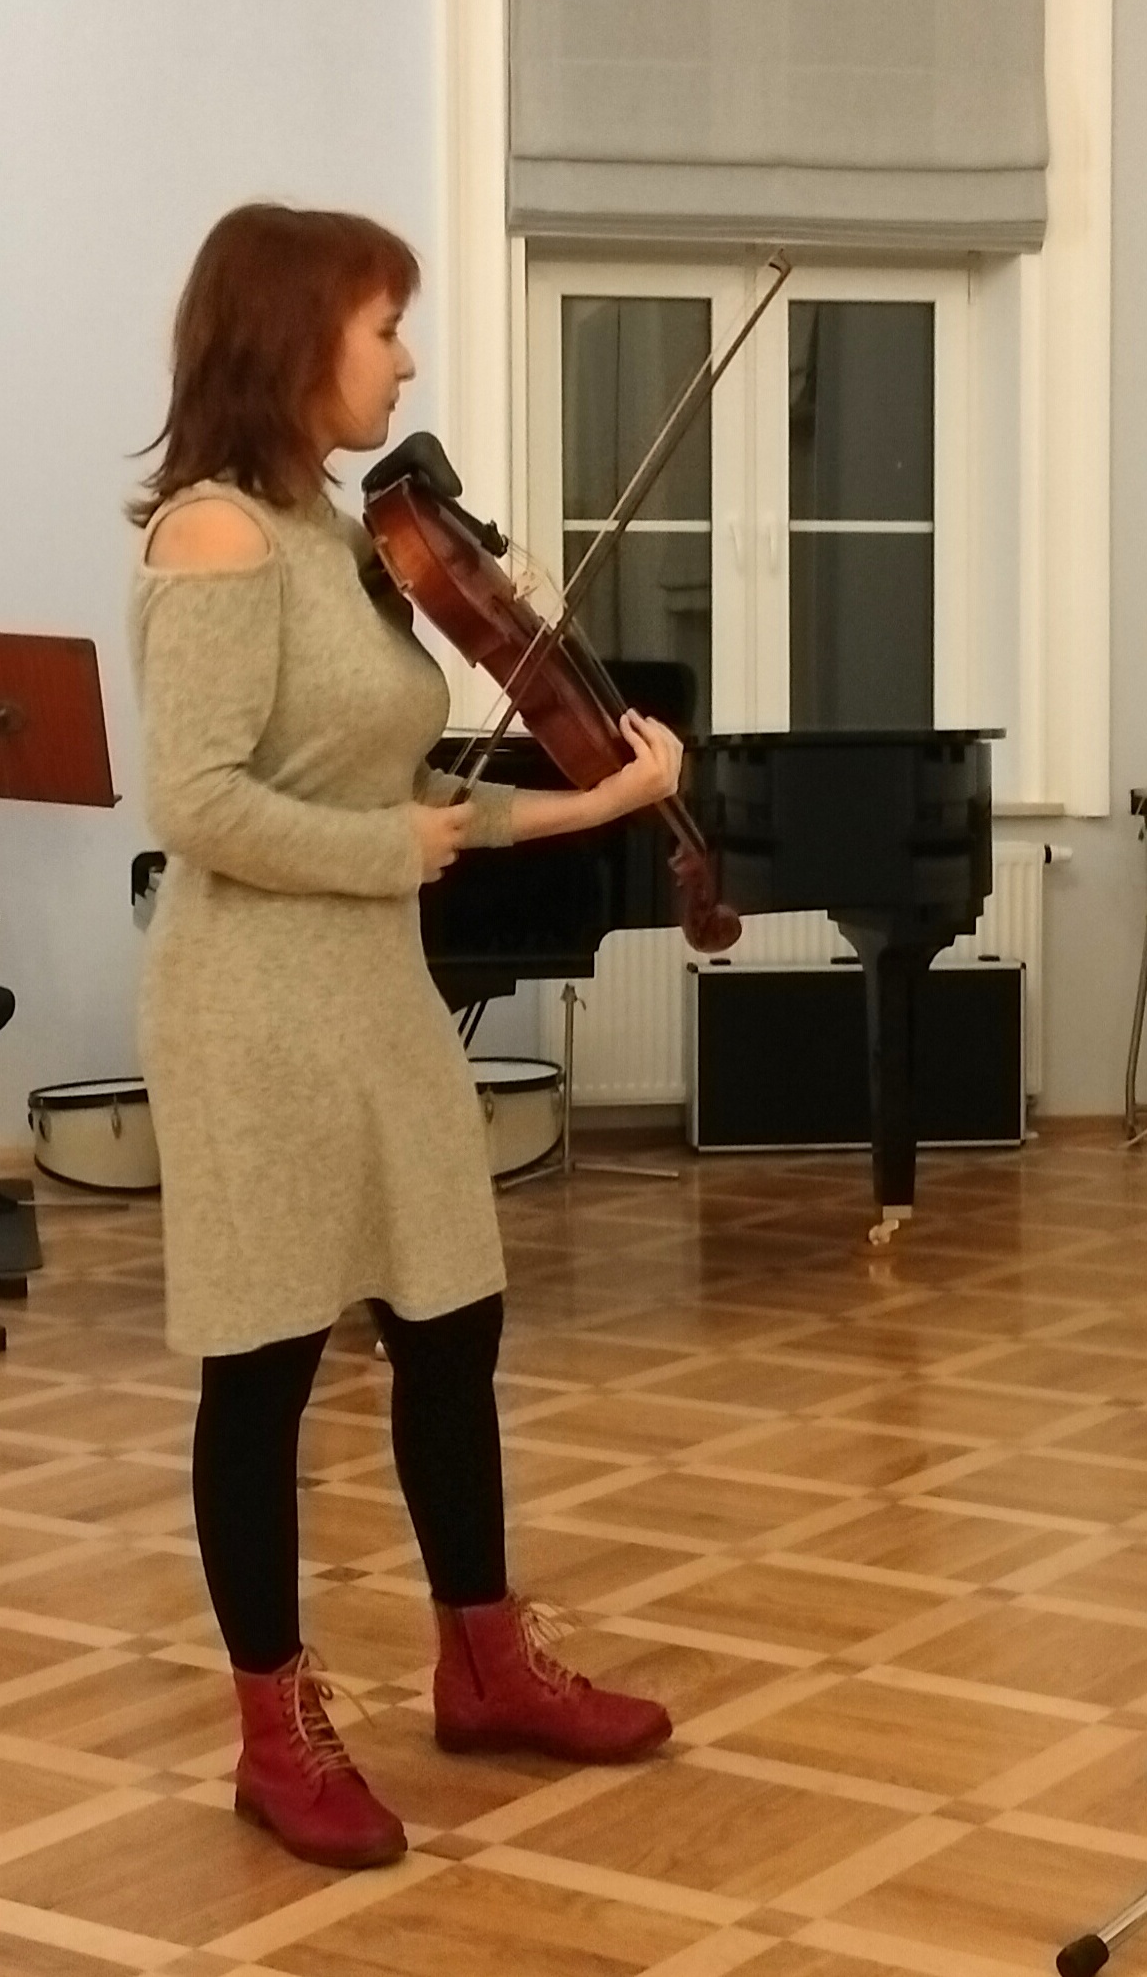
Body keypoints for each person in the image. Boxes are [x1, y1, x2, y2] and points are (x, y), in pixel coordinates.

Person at [131, 202, 685, 1866]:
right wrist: (399, 848)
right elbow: (199, 804)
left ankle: (485, 1663)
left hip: (372, 986)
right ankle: (275, 1731)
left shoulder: (334, 531)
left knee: (453, 1318)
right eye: (385, 328)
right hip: (253, 1006)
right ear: (293, 337)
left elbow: (402, 782)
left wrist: (589, 805)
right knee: (266, 1364)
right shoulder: (215, 538)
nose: (409, 360)